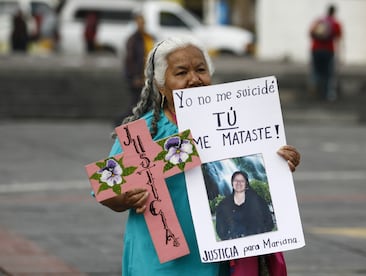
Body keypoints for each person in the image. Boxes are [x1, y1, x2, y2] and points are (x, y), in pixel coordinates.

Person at [100, 37, 301, 275]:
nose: (194, 79)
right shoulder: (143, 134)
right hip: (160, 260)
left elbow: (255, 175)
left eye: (201, 70)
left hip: (220, 260)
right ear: (161, 84)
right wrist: (124, 199)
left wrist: (279, 162)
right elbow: (106, 189)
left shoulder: (235, 124)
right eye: (182, 72)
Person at [117, 11, 154, 126]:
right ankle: (121, 122)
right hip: (136, 77)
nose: (141, 25)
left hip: (146, 76)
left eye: (143, 22)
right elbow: (130, 60)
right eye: (139, 22)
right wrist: (135, 77)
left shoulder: (147, 37)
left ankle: (132, 123)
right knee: (135, 103)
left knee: (142, 102)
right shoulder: (133, 40)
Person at [215, 171, 274, 240]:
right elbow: (220, 229)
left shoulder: (258, 201)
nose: (238, 183)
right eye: (236, 180)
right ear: (232, 183)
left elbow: (269, 222)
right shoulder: (223, 205)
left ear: (246, 183)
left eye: (242, 181)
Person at [309, 4, 342, 101]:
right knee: (329, 73)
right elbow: (338, 39)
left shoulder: (319, 21)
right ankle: (328, 94)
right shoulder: (335, 24)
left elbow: (310, 33)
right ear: (334, 12)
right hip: (328, 51)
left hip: (316, 50)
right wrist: (340, 55)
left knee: (316, 71)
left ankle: (314, 90)